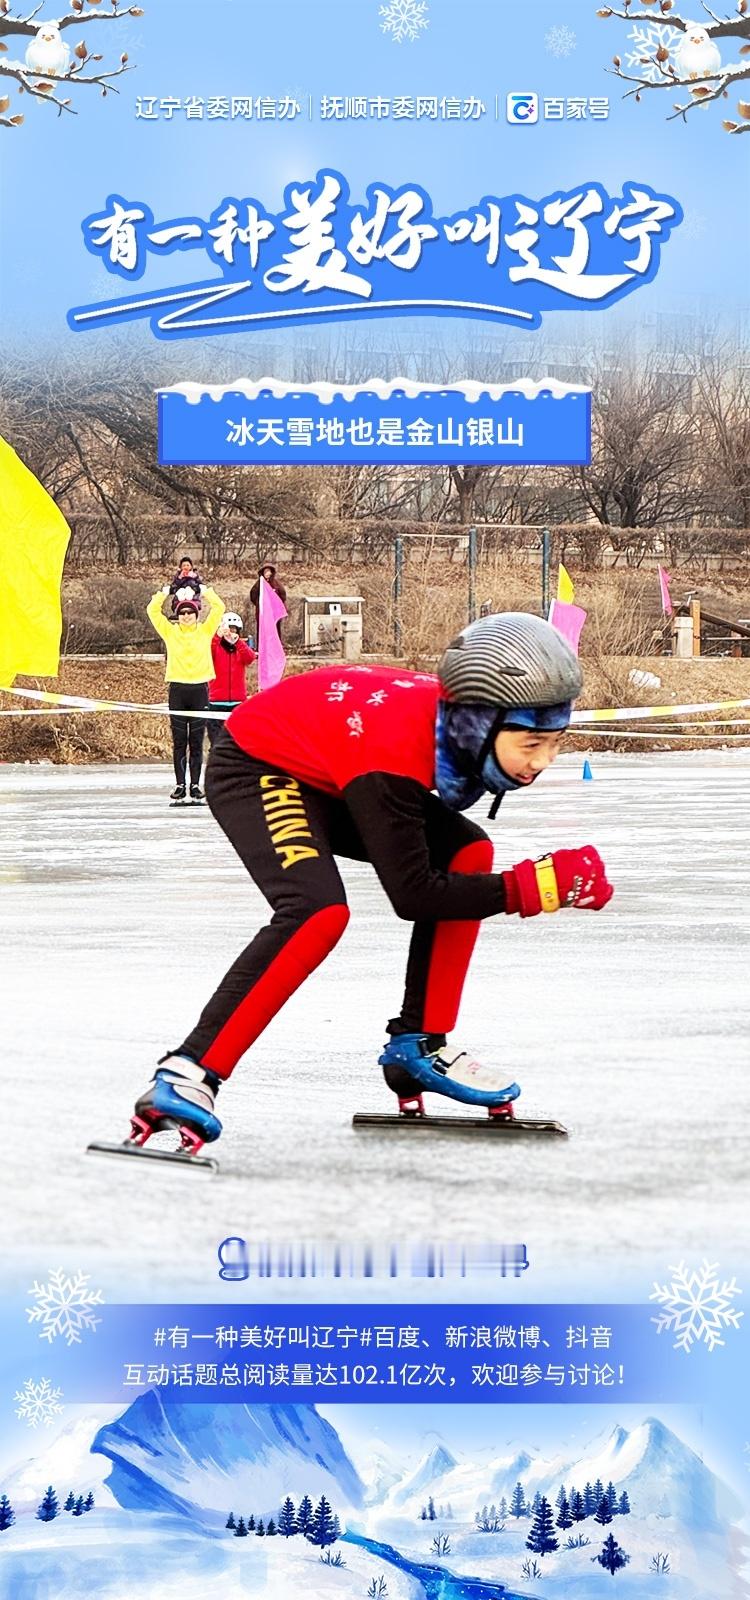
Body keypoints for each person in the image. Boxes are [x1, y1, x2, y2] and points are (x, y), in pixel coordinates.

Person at [130, 612, 613, 1153]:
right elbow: (414, 895)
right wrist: (535, 888)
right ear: (479, 725)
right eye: (530, 745)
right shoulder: (395, 755)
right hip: (256, 764)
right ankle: (187, 1072)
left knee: (469, 851)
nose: (544, 762)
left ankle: (419, 1045)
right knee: (316, 911)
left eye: (555, 742)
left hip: (329, 762)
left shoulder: (452, 723)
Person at [146, 581, 224, 803]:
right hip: (178, 690)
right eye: (183, 612)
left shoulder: (205, 630)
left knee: (197, 741)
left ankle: (195, 786)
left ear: (196, 614)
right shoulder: (170, 632)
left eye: (191, 612)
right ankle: (180, 785)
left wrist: (205, 591)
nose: (187, 615)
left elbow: (219, 608)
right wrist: (164, 593)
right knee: (180, 740)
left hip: (200, 690)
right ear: (178, 615)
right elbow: (152, 611)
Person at [207, 612, 256, 747]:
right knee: (216, 743)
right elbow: (207, 653)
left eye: (234, 629)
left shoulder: (240, 649)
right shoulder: (215, 647)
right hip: (216, 702)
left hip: (237, 702)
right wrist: (217, 636)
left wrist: (238, 642)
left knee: (237, 743)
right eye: (228, 629)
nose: (231, 633)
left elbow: (250, 657)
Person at [249, 560, 286, 645]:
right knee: (262, 630)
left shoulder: (276, 584)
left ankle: (276, 647)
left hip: (274, 612)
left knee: (275, 630)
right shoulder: (259, 584)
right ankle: (261, 647)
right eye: (265, 571)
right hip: (262, 612)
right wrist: (259, 604)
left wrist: (276, 605)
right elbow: (253, 595)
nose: (267, 573)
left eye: (269, 571)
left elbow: (283, 596)